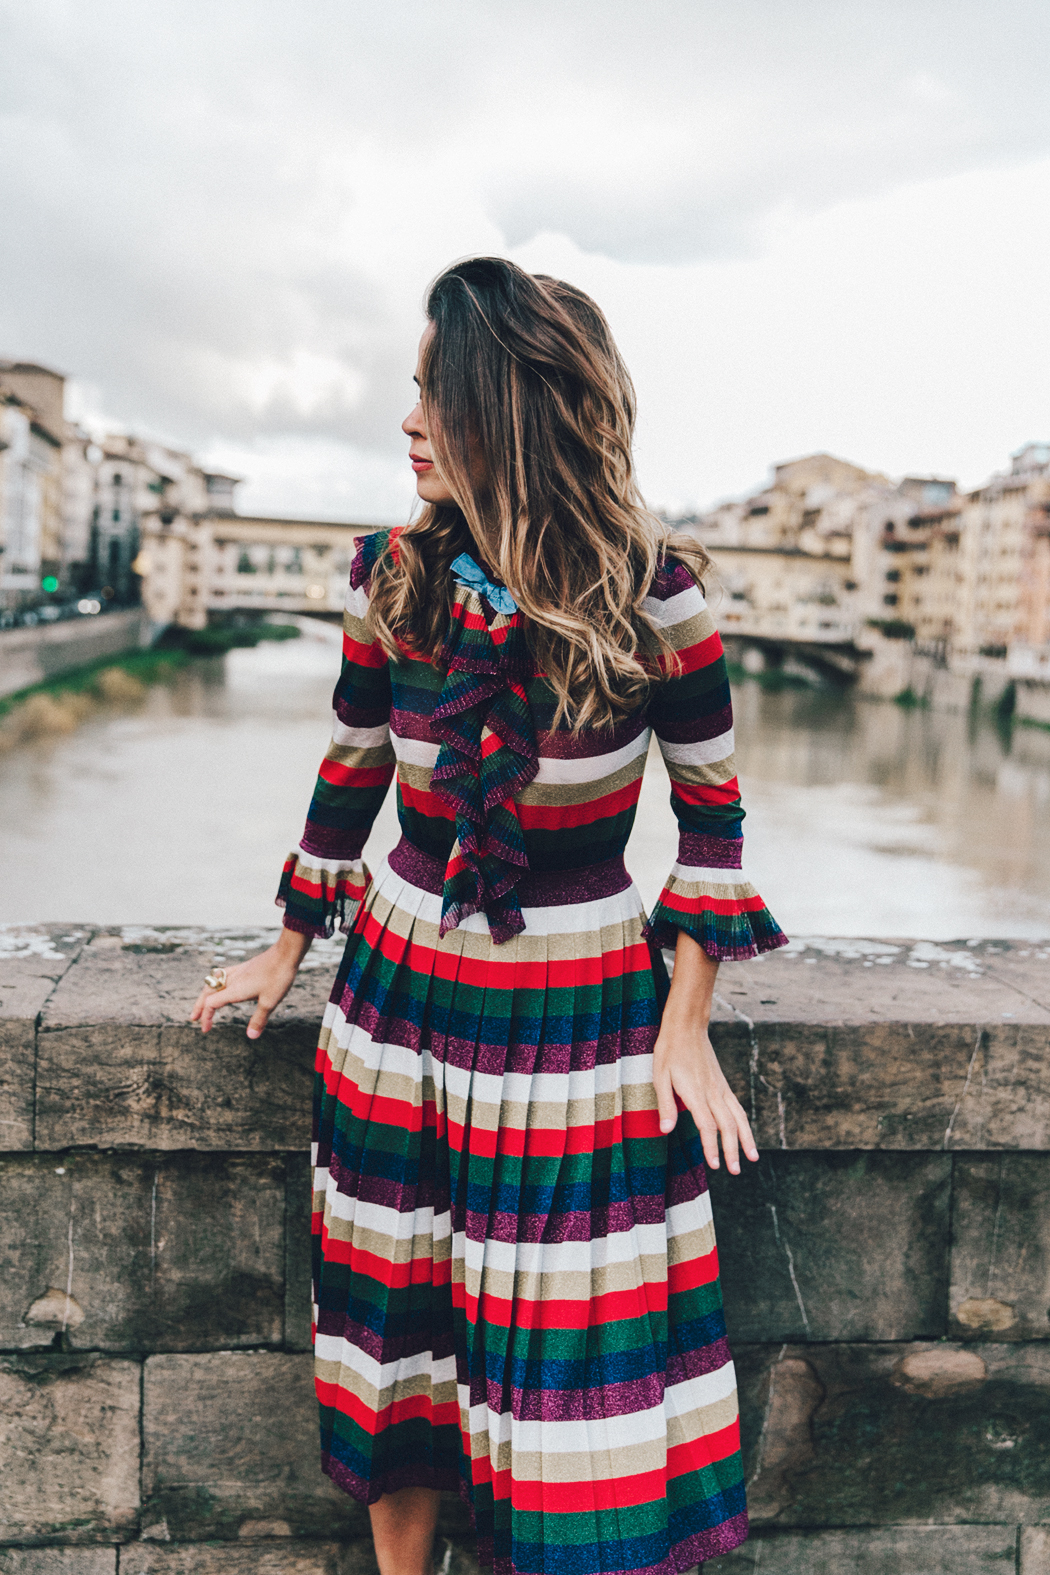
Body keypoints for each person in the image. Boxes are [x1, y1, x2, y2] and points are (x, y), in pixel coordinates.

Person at [192, 257, 786, 1575]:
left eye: (431, 394)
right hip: (392, 1002)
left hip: (574, 1009)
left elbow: (714, 826)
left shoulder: (657, 598)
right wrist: (286, 950)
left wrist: (684, 1023)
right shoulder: (391, 577)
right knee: (389, 1332)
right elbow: (350, 768)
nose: (405, 421)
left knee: (573, 1375)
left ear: (510, 408)